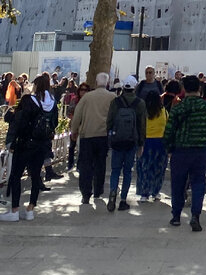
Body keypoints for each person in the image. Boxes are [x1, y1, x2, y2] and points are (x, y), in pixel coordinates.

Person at [164, 74, 206, 232]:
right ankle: (195, 215)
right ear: (199, 89)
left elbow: (169, 130)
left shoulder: (178, 107)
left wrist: (168, 149)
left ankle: (176, 215)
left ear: (184, 89)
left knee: (178, 184)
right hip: (200, 151)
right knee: (199, 183)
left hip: (180, 151)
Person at [1, 75, 52, 221]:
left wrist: (11, 140)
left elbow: (18, 121)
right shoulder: (51, 103)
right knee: (35, 175)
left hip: (25, 143)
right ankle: (30, 208)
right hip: (41, 143)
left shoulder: (28, 100)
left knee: (16, 175)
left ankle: (15, 210)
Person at [70, 72, 113, 204]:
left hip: (87, 135)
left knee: (86, 165)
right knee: (100, 164)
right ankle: (98, 190)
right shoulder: (112, 97)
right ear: (107, 83)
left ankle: (85, 193)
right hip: (103, 135)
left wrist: (74, 130)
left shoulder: (87, 97)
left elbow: (77, 115)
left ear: (96, 82)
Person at [106, 74, 146, 212]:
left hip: (117, 141)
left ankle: (112, 192)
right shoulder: (140, 103)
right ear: (135, 87)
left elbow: (109, 121)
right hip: (132, 141)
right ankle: (123, 199)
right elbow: (142, 125)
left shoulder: (115, 102)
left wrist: (109, 137)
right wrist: (141, 143)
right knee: (128, 171)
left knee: (115, 170)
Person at [136, 87, 168, 202]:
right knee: (159, 168)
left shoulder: (143, 111)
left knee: (144, 168)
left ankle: (144, 193)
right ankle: (156, 192)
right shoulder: (163, 111)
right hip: (160, 142)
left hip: (146, 142)